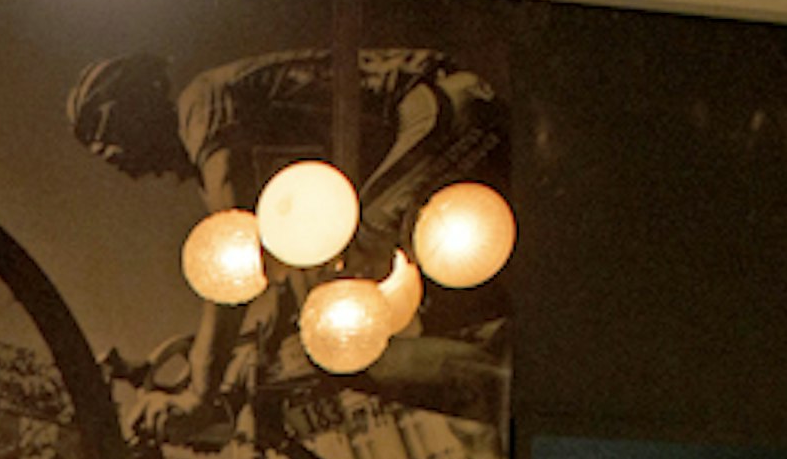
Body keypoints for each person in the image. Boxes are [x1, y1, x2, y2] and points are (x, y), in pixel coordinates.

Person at [65, 44, 509, 434]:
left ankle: (508, 396)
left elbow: (237, 266)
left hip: (441, 107)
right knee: (329, 339)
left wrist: (201, 391)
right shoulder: (218, 160)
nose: (121, 165)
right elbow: (279, 282)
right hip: (437, 122)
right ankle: (493, 373)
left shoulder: (200, 106)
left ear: (133, 110)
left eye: (111, 141)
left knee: (344, 293)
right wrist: (203, 371)